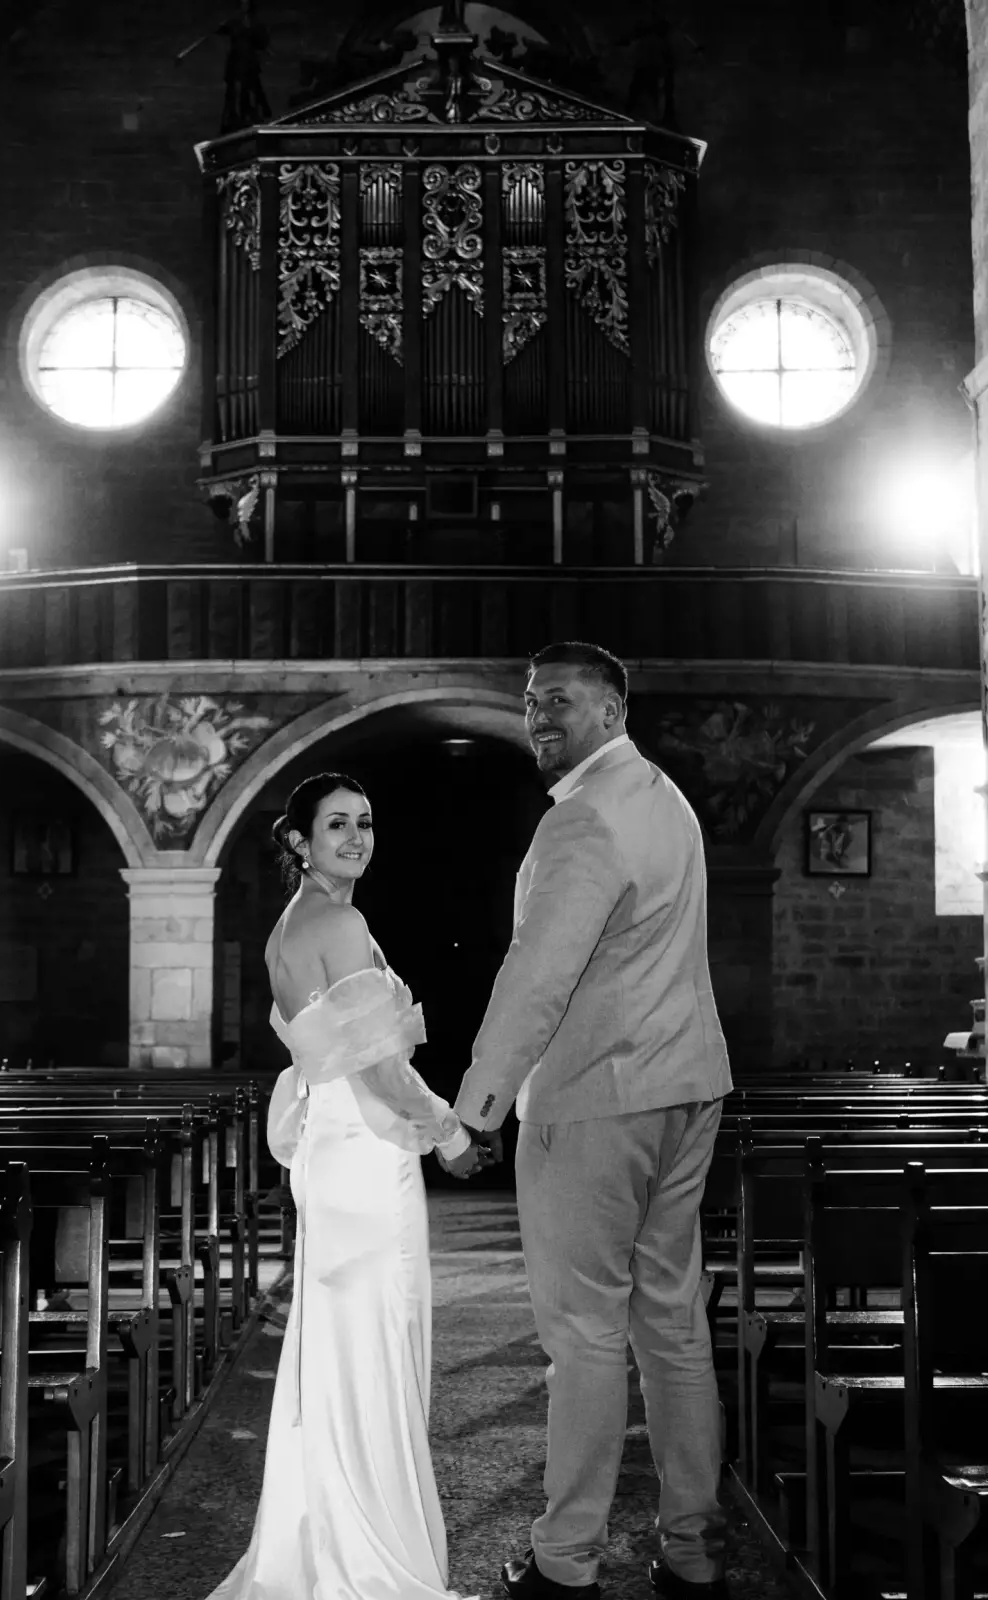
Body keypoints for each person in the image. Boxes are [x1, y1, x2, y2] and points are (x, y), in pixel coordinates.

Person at [452, 641, 733, 1600]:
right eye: (531, 700)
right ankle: (693, 1553)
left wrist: (476, 1109)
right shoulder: (667, 800)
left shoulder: (584, 819)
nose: (539, 715)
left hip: (596, 1097)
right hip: (686, 1086)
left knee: (582, 1337)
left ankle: (566, 1563)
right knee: (673, 1328)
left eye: (561, 700)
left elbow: (537, 978)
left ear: (611, 709)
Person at [205, 771, 492, 1600]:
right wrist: (450, 1133)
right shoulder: (340, 922)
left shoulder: (287, 929)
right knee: (376, 1339)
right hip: (364, 1152)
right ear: (300, 842)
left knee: (340, 1341)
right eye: (337, 824)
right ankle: (371, 1558)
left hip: (331, 1150)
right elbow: (382, 1070)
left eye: (365, 822)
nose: (357, 837)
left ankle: (328, 1542)